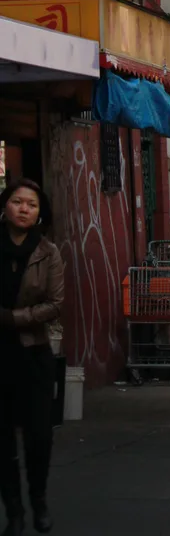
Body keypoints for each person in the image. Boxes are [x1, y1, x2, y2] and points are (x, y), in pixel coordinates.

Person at [0, 178, 64, 536]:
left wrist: (12, 319)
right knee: (2, 438)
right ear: (5, 206)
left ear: (40, 212)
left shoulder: (48, 251)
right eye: (17, 202)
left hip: (33, 352)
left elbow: (55, 304)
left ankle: (38, 499)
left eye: (32, 204)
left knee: (39, 436)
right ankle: (14, 512)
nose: (24, 209)